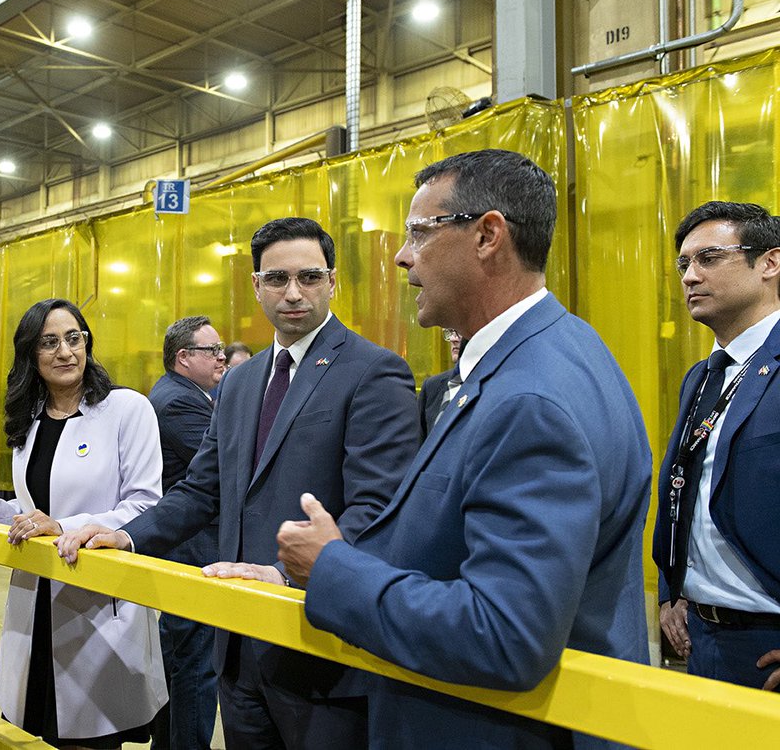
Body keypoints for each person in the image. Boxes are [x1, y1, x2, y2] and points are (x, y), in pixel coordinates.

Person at [277, 149, 651, 749]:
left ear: (487, 235)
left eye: (420, 233)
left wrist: (332, 569)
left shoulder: (528, 400)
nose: (402, 256)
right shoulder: (555, 349)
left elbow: (504, 634)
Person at [59, 217, 420, 750]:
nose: (293, 293)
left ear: (333, 281)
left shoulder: (373, 372)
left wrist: (284, 574)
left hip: (321, 648)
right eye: (277, 279)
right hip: (238, 651)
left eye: (309, 277)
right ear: (256, 286)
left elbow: (378, 507)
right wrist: (129, 534)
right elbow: (203, 489)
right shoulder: (242, 383)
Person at [0, 298, 167, 747]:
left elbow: (144, 504)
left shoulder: (126, 409)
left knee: (92, 735)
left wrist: (64, 526)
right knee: (34, 728)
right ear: (30, 355)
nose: (65, 352)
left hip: (97, 606)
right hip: (35, 606)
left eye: (73, 338)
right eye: (49, 343)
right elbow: (29, 512)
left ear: (87, 344)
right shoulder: (29, 421)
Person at [653, 201, 780, 691]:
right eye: (684, 263)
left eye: (709, 259)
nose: (689, 276)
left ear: (769, 263)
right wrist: (672, 589)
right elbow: (682, 484)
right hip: (701, 635)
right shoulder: (704, 377)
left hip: (766, 637)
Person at [148, 316, 225, 750]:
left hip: (186, 543)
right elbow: (217, 469)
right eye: (211, 350)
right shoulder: (180, 402)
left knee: (180, 655)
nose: (221, 358)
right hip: (192, 545)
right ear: (184, 358)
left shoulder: (188, 395)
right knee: (196, 661)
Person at [416, 327, 462, 438]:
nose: (453, 339)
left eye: (458, 332)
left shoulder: (492, 382)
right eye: (450, 332)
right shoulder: (432, 386)